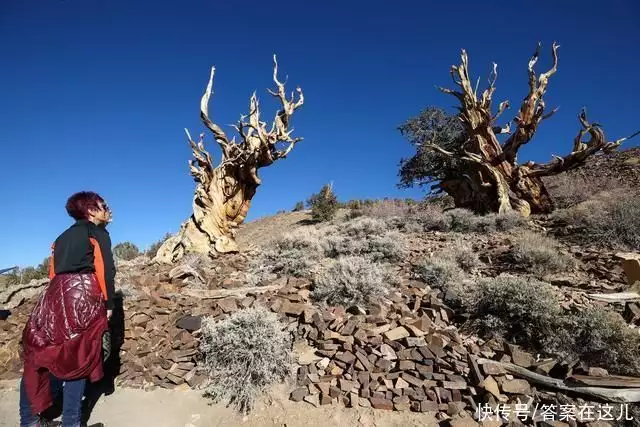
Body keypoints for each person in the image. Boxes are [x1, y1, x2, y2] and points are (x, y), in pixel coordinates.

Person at [19, 191, 116, 427]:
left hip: (53, 296)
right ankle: (71, 423)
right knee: (77, 357)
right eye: (103, 205)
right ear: (91, 211)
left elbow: (53, 274)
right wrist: (109, 304)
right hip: (82, 295)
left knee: (39, 356)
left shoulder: (60, 238)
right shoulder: (97, 233)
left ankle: (30, 421)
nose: (108, 209)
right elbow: (105, 270)